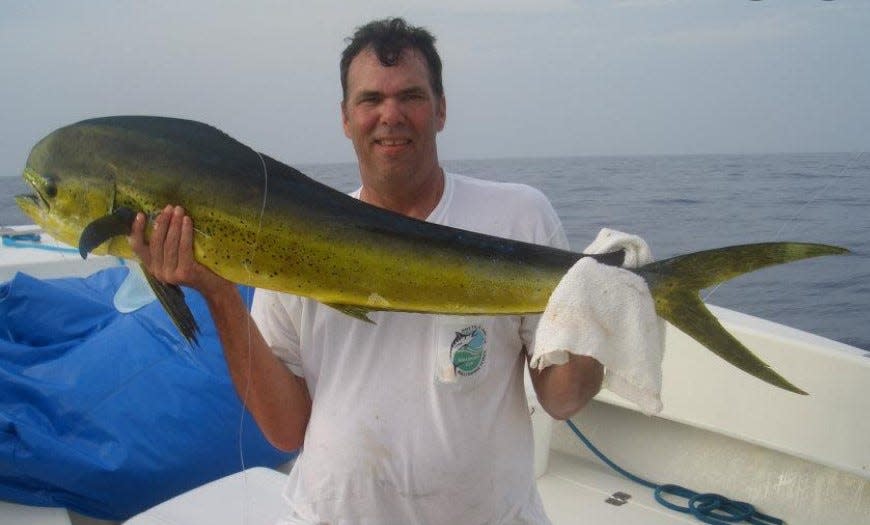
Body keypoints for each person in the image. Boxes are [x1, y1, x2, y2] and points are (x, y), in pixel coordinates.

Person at [129, 17, 604, 524]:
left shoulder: (520, 217)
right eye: (370, 99)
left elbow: (562, 397)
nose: (390, 115)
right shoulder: (287, 238)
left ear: (441, 109)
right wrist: (219, 292)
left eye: (412, 96)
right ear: (345, 117)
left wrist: (604, 313)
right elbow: (286, 432)